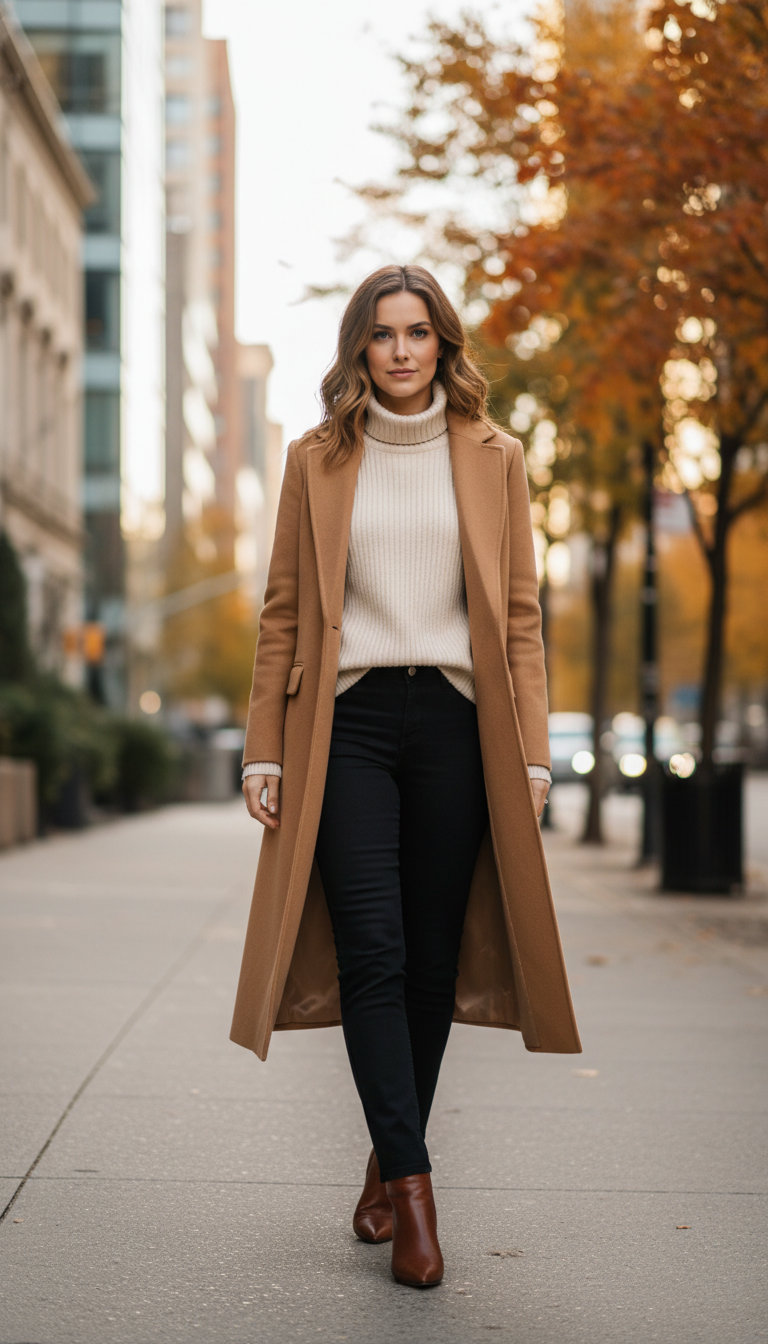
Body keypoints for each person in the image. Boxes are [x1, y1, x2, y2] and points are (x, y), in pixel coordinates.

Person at [233, 264, 581, 1289]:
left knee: (430, 961)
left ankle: (388, 1157)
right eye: (382, 333)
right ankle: (419, 1197)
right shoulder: (317, 459)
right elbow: (283, 611)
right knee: (374, 954)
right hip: (345, 725)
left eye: (417, 332)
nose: (400, 350)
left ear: (442, 344)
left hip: (459, 726)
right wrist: (264, 745)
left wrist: (532, 751)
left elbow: (518, 616)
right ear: (360, 347)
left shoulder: (495, 455)